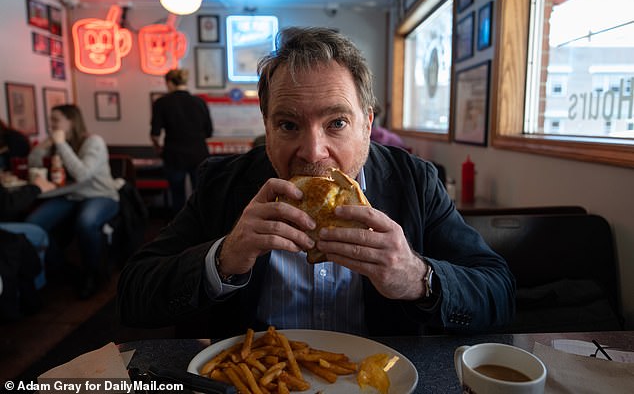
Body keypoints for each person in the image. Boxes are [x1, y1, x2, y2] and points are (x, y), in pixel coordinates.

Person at [118, 27, 515, 337]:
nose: (312, 152)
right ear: (267, 128)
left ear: (367, 124)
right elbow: (133, 296)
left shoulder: (415, 182)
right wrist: (223, 258)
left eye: (336, 123)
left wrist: (416, 277)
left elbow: (498, 293)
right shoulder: (222, 183)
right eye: (288, 124)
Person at [26, 104, 120, 299]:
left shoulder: (94, 142)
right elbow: (33, 167)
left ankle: (92, 275)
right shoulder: (57, 142)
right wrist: (41, 148)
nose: (52, 125)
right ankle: (63, 267)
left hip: (100, 194)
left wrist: (61, 145)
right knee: (34, 224)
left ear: (71, 121)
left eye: (56, 120)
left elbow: (82, 174)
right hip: (70, 196)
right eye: (50, 120)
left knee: (85, 223)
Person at [150, 69, 213, 216]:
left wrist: (158, 147)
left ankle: (178, 231)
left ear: (170, 83)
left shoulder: (162, 103)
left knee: (177, 195)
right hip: (198, 154)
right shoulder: (199, 102)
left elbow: (155, 134)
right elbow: (209, 132)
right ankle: (201, 228)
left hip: (174, 154)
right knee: (200, 194)